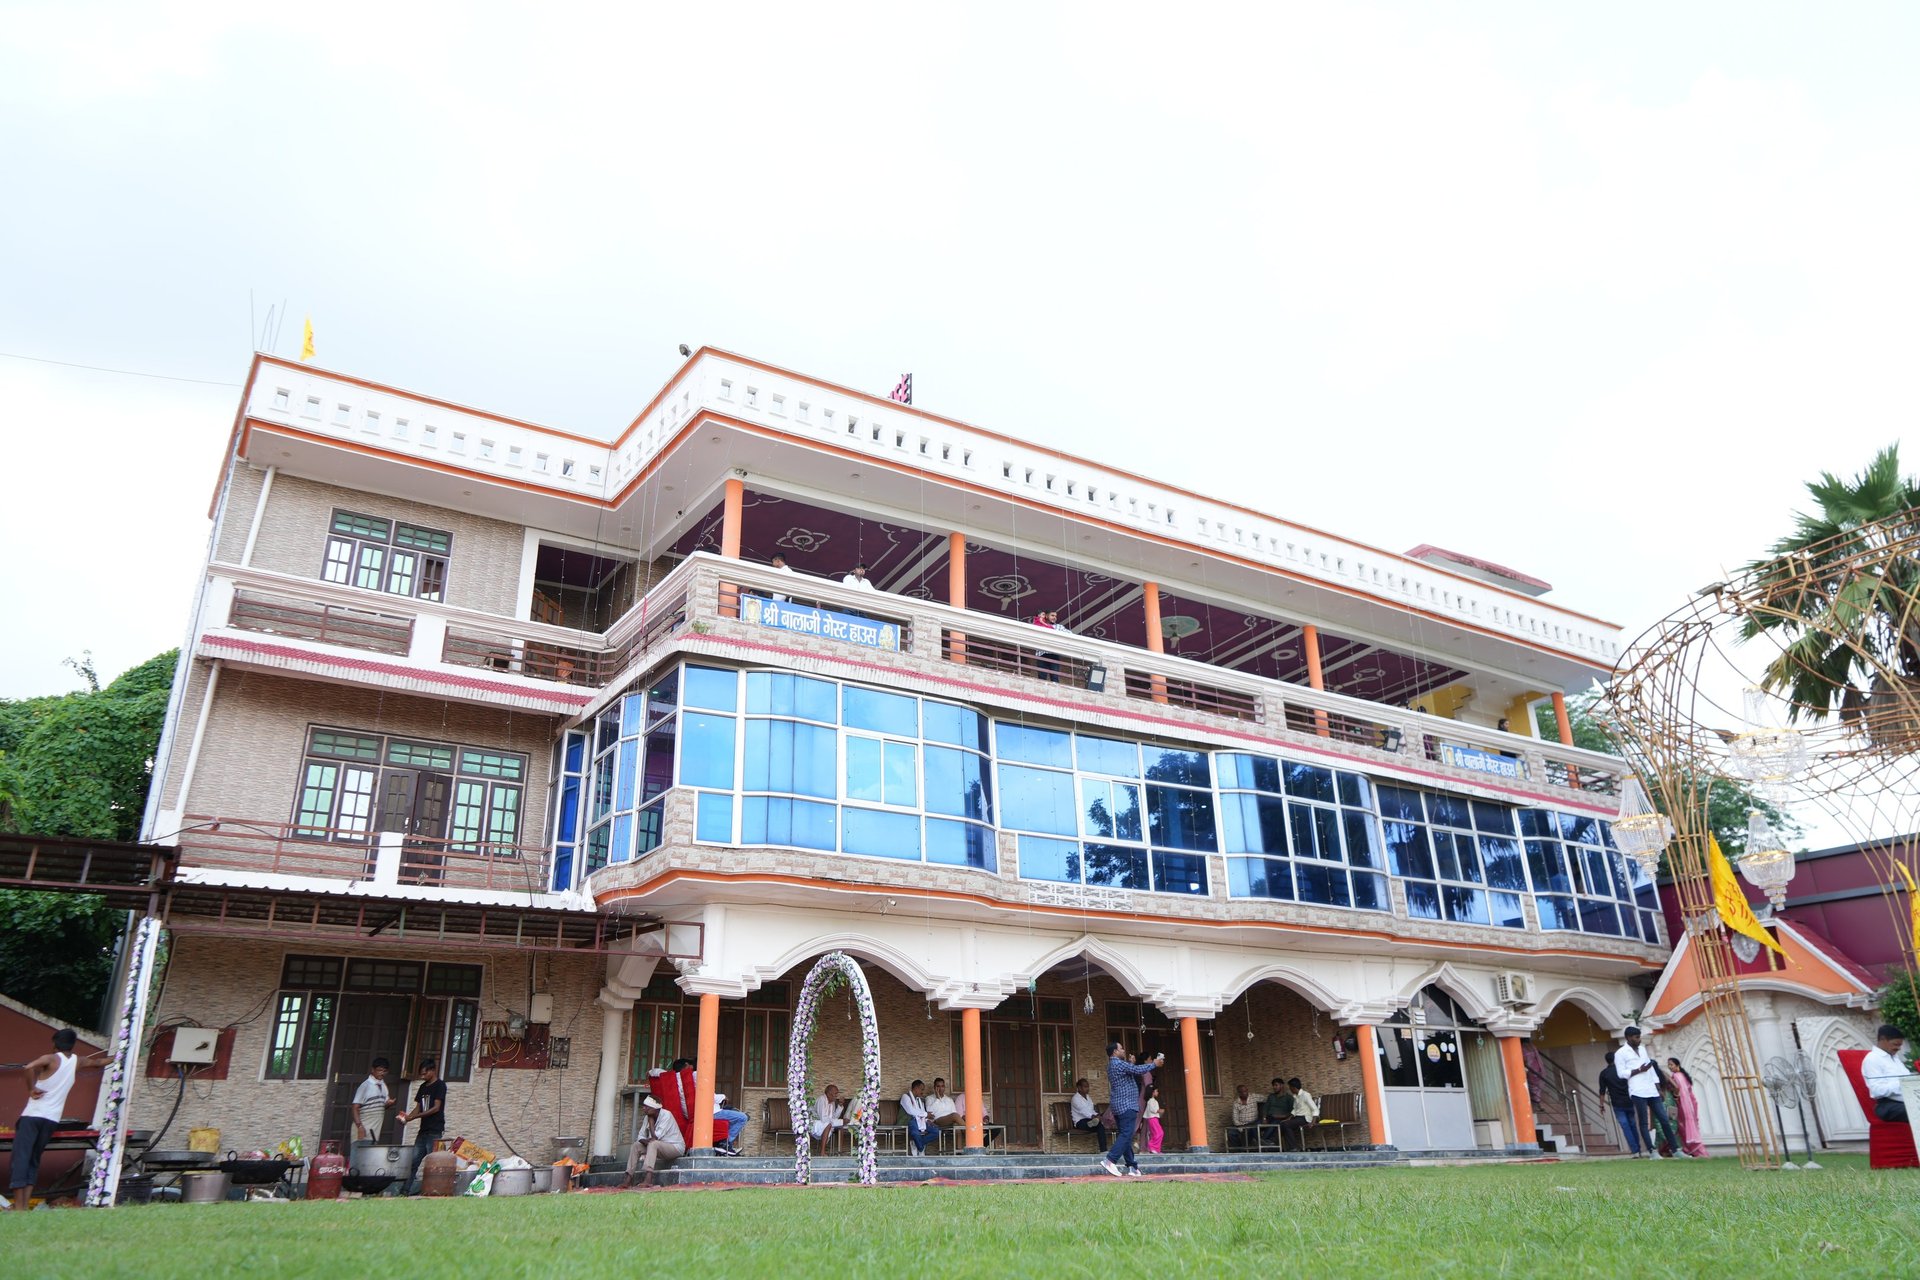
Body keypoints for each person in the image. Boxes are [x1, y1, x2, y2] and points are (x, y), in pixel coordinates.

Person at [6, 1028, 106, 1211]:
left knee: (21, 1160)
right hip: (51, 1120)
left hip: (32, 1117)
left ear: (54, 1043)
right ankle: (24, 1206)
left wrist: (31, 1089)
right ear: (73, 1044)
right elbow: (99, 1062)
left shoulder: (51, 1058)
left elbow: (28, 1067)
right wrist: (122, 1054)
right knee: (33, 1161)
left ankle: (19, 1208)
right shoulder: (78, 1061)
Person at [1614, 1027, 1680, 1158]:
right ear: (1628, 1038)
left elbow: (1650, 1070)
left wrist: (1659, 1088)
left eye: (1639, 1037)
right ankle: (1652, 1151)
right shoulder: (1620, 1053)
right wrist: (1638, 1070)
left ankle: (1676, 1149)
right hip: (1637, 1091)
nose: (1639, 1040)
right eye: (1636, 1037)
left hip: (1652, 1090)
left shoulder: (1643, 1049)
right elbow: (1621, 1074)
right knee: (1644, 1122)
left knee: (1664, 1119)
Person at [1101, 1040, 1163, 1178]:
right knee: (1127, 1134)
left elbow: (1128, 1071)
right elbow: (1136, 1070)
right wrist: (1153, 1064)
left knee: (1126, 1135)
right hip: (1126, 1105)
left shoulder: (1113, 1065)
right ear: (1115, 1052)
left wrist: (1131, 1063)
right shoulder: (1118, 1063)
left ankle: (1132, 1167)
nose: (1124, 1050)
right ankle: (1110, 1160)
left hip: (1118, 1105)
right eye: (1121, 1048)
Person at [393, 1057, 447, 1192]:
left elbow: (436, 1108)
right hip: (423, 1131)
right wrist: (408, 1117)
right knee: (413, 1162)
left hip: (435, 1131)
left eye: (424, 1073)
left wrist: (415, 1116)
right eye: (421, 1074)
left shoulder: (440, 1085)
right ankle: (405, 1191)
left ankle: (434, 1190)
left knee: (434, 1163)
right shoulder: (423, 1087)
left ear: (433, 1071)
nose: (422, 1076)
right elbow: (418, 1107)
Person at [623, 1095, 685, 1189]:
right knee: (636, 1145)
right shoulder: (647, 1117)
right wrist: (644, 1140)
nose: (644, 1108)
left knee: (653, 1144)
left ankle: (648, 1179)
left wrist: (651, 1123)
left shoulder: (666, 1115)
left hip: (675, 1147)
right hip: (657, 1146)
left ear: (655, 1108)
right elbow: (640, 1136)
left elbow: (656, 1137)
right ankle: (628, 1178)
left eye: (646, 1107)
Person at [1860, 1024, 1912, 1122]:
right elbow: (1877, 1091)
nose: (1899, 1048)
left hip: (1907, 1101)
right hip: (1888, 1105)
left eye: (1900, 1045)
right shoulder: (1872, 1059)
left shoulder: (1895, 1058)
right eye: (1896, 1044)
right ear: (1883, 1040)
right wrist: (1903, 1083)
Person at [1665, 1058, 1709, 1158]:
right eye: (1668, 1065)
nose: (1669, 1066)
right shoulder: (1681, 1075)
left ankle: (1695, 1150)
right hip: (1689, 1104)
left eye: (1671, 1064)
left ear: (1677, 1065)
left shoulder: (1677, 1076)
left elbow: (1681, 1093)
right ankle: (1690, 1150)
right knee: (1685, 1127)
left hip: (1684, 1105)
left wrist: (1675, 1097)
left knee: (1684, 1127)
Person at [1597, 1059, 1642, 1155]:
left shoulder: (1604, 1073)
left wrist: (1601, 1104)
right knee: (1633, 1125)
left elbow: (1602, 1090)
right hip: (1629, 1101)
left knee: (1625, 1126)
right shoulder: (1623, 1071)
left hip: (1617, 1103)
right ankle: (1638, 1147)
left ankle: (1635, 1150)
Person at [352, 1056, 395, 1144]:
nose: (382, 1073)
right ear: (373, 1070)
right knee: (359, 1157)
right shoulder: (365, 1086)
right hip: (362, 1131)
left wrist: (389, 1104)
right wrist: (359, 1127)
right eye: (379, 1070)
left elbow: (382, 1107)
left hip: (375, 1132)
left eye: (385, 1071)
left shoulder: (383, 1086)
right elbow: (355, 1107)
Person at [899, 1079, 940, 1154]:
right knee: (915, 1133)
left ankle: (917, 1143)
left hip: (920, 1121)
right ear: (916, 1088)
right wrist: (926, 1114)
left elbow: (922, 1113)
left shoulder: (919, 1101)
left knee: (936, 1131)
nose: (922, 1092)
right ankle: (920, 1147)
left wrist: (927, 1120)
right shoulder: (905, 1097)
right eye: (922, 1089)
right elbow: (910, 1111)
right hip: (909, 1120)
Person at [1281, 1078, 1319, 1151]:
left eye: (1290, 1088)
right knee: (1282, 1124)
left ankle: (1294, 1147)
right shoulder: (1296, 1096)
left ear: (1294, 1088)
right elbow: (1295, 1109)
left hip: (1305, 1118)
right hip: (1297, 1118)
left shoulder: (1306, 1095)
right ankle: (1290, 1147)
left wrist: (1313, 1122)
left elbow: (1315, 1109)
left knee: (1285, 1125)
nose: (1290, 1090)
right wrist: (1289, 1118)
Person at [812, 1083, 849, 1152]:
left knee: (837, 1126)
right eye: (835, 1093)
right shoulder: (821, 1100)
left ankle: (839, 1151)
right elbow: (824, 1119)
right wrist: (841, 1121)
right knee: (828, 1125)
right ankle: (822, 1152)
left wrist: (840, 1105)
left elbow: (834, 1117)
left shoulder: (832, 1102)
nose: (836, 1096)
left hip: (825, 1124)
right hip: (815, 1123)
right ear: (829, 1093)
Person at [713, 1091, 749, 1156]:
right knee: (743, 1117)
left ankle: (725, 1144)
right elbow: (712, 1097)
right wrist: (723, 1096)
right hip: (714, 1112)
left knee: (735, 1113)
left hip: (714, 1110)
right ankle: (725, 1144)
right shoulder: (700, 1081)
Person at [1227, 1084, 1261, 1151]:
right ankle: (1238, 1151)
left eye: (1245, 1091)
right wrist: (1241, 1127)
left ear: (1247, 1090)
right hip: (1241, 1125)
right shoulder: (1236, 1103)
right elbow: (1235, 1119)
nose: (1244, 1093)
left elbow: (1267, 1098)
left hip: (1253, 1123)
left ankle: (1245, 1150)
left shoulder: (1253, 1097)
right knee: (1231, 1133)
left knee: (1248, 1131)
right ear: (1239, 1093)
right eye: (1242, 1092)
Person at [1141, 1084, 1165, 1154]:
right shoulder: (1151, 1101)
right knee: (1159, 1133)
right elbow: (1153, 1109)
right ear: (1153, 1092)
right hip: (1153, 1119)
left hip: (1154, 1119)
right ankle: (1152, 1146)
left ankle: (1156, 1149)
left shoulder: (1153, 1100)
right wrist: (1159, 1110)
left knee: (1156, 1133)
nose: (1157, 1092)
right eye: (1156, 1091)